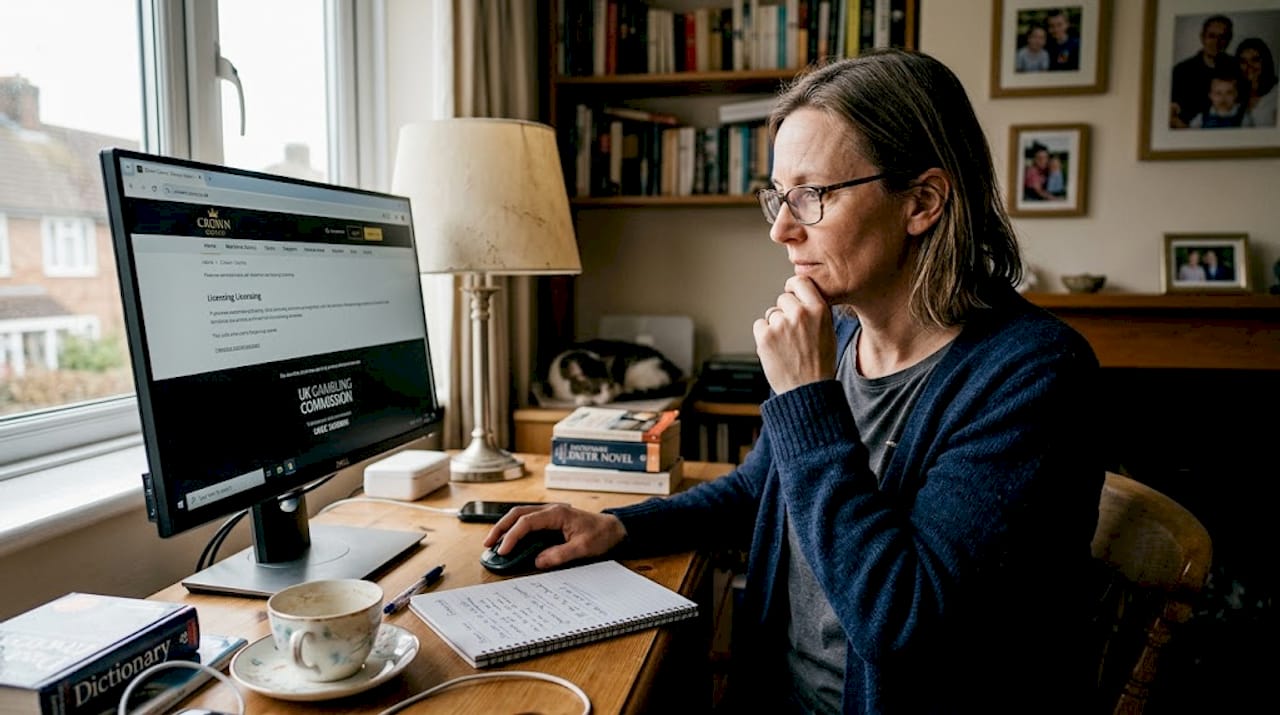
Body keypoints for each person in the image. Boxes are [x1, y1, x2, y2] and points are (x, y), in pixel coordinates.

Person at [485, 49, 1104, 714]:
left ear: (922, 201)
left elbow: (904, 624)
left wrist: (808, 401)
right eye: (778, 196)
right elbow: (761, 489)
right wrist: (617, 527)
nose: (781, 228)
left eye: (812, 195)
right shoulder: (843, 336)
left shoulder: (1035, 376)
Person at [1170, 14, 1235, 128]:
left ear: (1229, 39)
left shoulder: (1236, 67)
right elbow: (1169, 114)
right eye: (1212, 36)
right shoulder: (1181, 71)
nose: (1216, 42)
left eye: (1222, 37)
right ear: (1202, 37)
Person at [1188, 68, 1253, 128]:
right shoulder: (1202, 117)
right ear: (1210, 95)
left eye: (1229, 93)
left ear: (1236, 94)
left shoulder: (1243, 117)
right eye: (1218, 93)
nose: (1223, 98)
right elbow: (1191, 134)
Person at [1237, 37, 1278, 127]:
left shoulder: (1276, 93)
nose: (1249, 66)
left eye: (1255, 60)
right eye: (1243, 61)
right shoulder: (1233, 94)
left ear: (1265, 61)